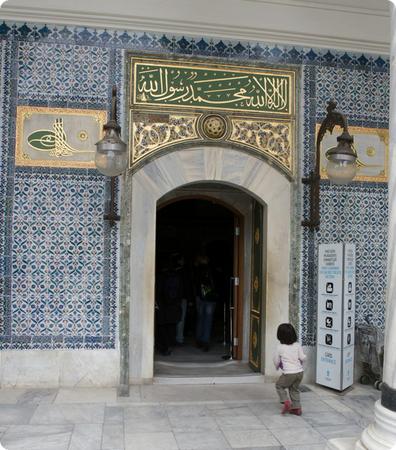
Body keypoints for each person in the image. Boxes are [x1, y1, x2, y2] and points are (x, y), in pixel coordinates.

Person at [273, 323, 306, 415]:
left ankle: (285, 401)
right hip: (300, 372)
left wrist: (277, 367)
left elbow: (276, 360)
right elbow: (303, 357)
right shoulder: (297, 345)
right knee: (294, 389)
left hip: (289, 373)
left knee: (279, 385)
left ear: (280, 336)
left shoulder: (280, 347)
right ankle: (297, 408)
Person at [155, 255, 184, 355]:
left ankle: (163, 347)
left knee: (161, 326)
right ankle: (169, 345)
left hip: (162, 305)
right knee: (171, 326)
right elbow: (180, 291)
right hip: (173, 304)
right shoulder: (176, 275)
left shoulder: (159, 276)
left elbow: (158, 291)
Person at [194, 254, 218, 352]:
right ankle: (205, 342)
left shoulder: (196, 269)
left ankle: (198, 340)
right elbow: (215, 283)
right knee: (208, 319)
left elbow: (194, 283)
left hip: (199, 297)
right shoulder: (212, 269)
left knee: (200, 318)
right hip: (210, 297)